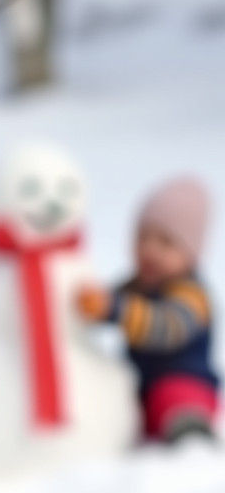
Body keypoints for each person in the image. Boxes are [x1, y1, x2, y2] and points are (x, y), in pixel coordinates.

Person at [77, 176, 219, 443]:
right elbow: (106, 304)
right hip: (141, 386)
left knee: (174, 398)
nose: (150, 250)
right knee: (115, 394)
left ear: (191, 254)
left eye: (165, 242)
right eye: (143, 238)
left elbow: (165, 326)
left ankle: (191, 431)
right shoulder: (134, 286)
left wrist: (114, 309)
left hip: (186, 383)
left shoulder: (192, 295)